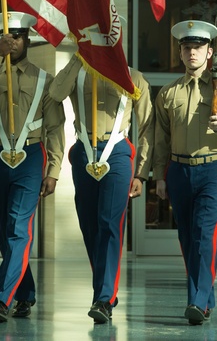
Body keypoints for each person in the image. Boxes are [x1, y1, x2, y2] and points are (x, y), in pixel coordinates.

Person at [0, 11, 66, 323]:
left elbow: (56, 129)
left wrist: (54, 170)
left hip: (30, 157)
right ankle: (26, 292)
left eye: (18, 36)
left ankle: (1, 298)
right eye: (8, 36)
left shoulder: (44, 80)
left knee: (19, 228)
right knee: (5, 230)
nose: (13, 41)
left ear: (27, 39)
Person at [153, 19, 217, 325]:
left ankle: (196, 300)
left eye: (198, 47)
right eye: (186, 47)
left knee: (205, 236)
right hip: (179, 171)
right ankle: (204, 301)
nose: (192, 52)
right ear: (180, 53)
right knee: (187, 238)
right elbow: (161, 139)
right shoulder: (168, 94)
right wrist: (159, 175)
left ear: (210, 52)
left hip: (212, 169)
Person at [48, 54, 152, 324]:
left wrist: (141, 171)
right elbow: (55, 94)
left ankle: (103, 298)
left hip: (116, 151)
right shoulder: (78, 71)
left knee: (109, 224)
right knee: (90, 226)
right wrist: (77, 58)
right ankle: (107, 287)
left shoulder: (133, 77)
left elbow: (147, 127)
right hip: (83, 150)